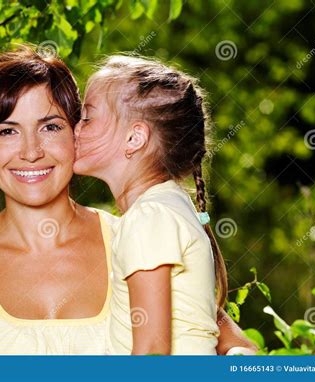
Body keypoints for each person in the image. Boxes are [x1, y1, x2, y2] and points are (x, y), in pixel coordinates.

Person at [0, 46, 256, 355]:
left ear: (78, 132)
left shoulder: (132, 236)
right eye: (7, 131)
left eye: (50, 127)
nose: (31, 152)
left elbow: (226, 343)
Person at [74, 55, 232, 355]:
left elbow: (152, 352)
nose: (75, 128)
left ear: (134, 138)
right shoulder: (168, 204)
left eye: (87, 117)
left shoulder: (150, 216)